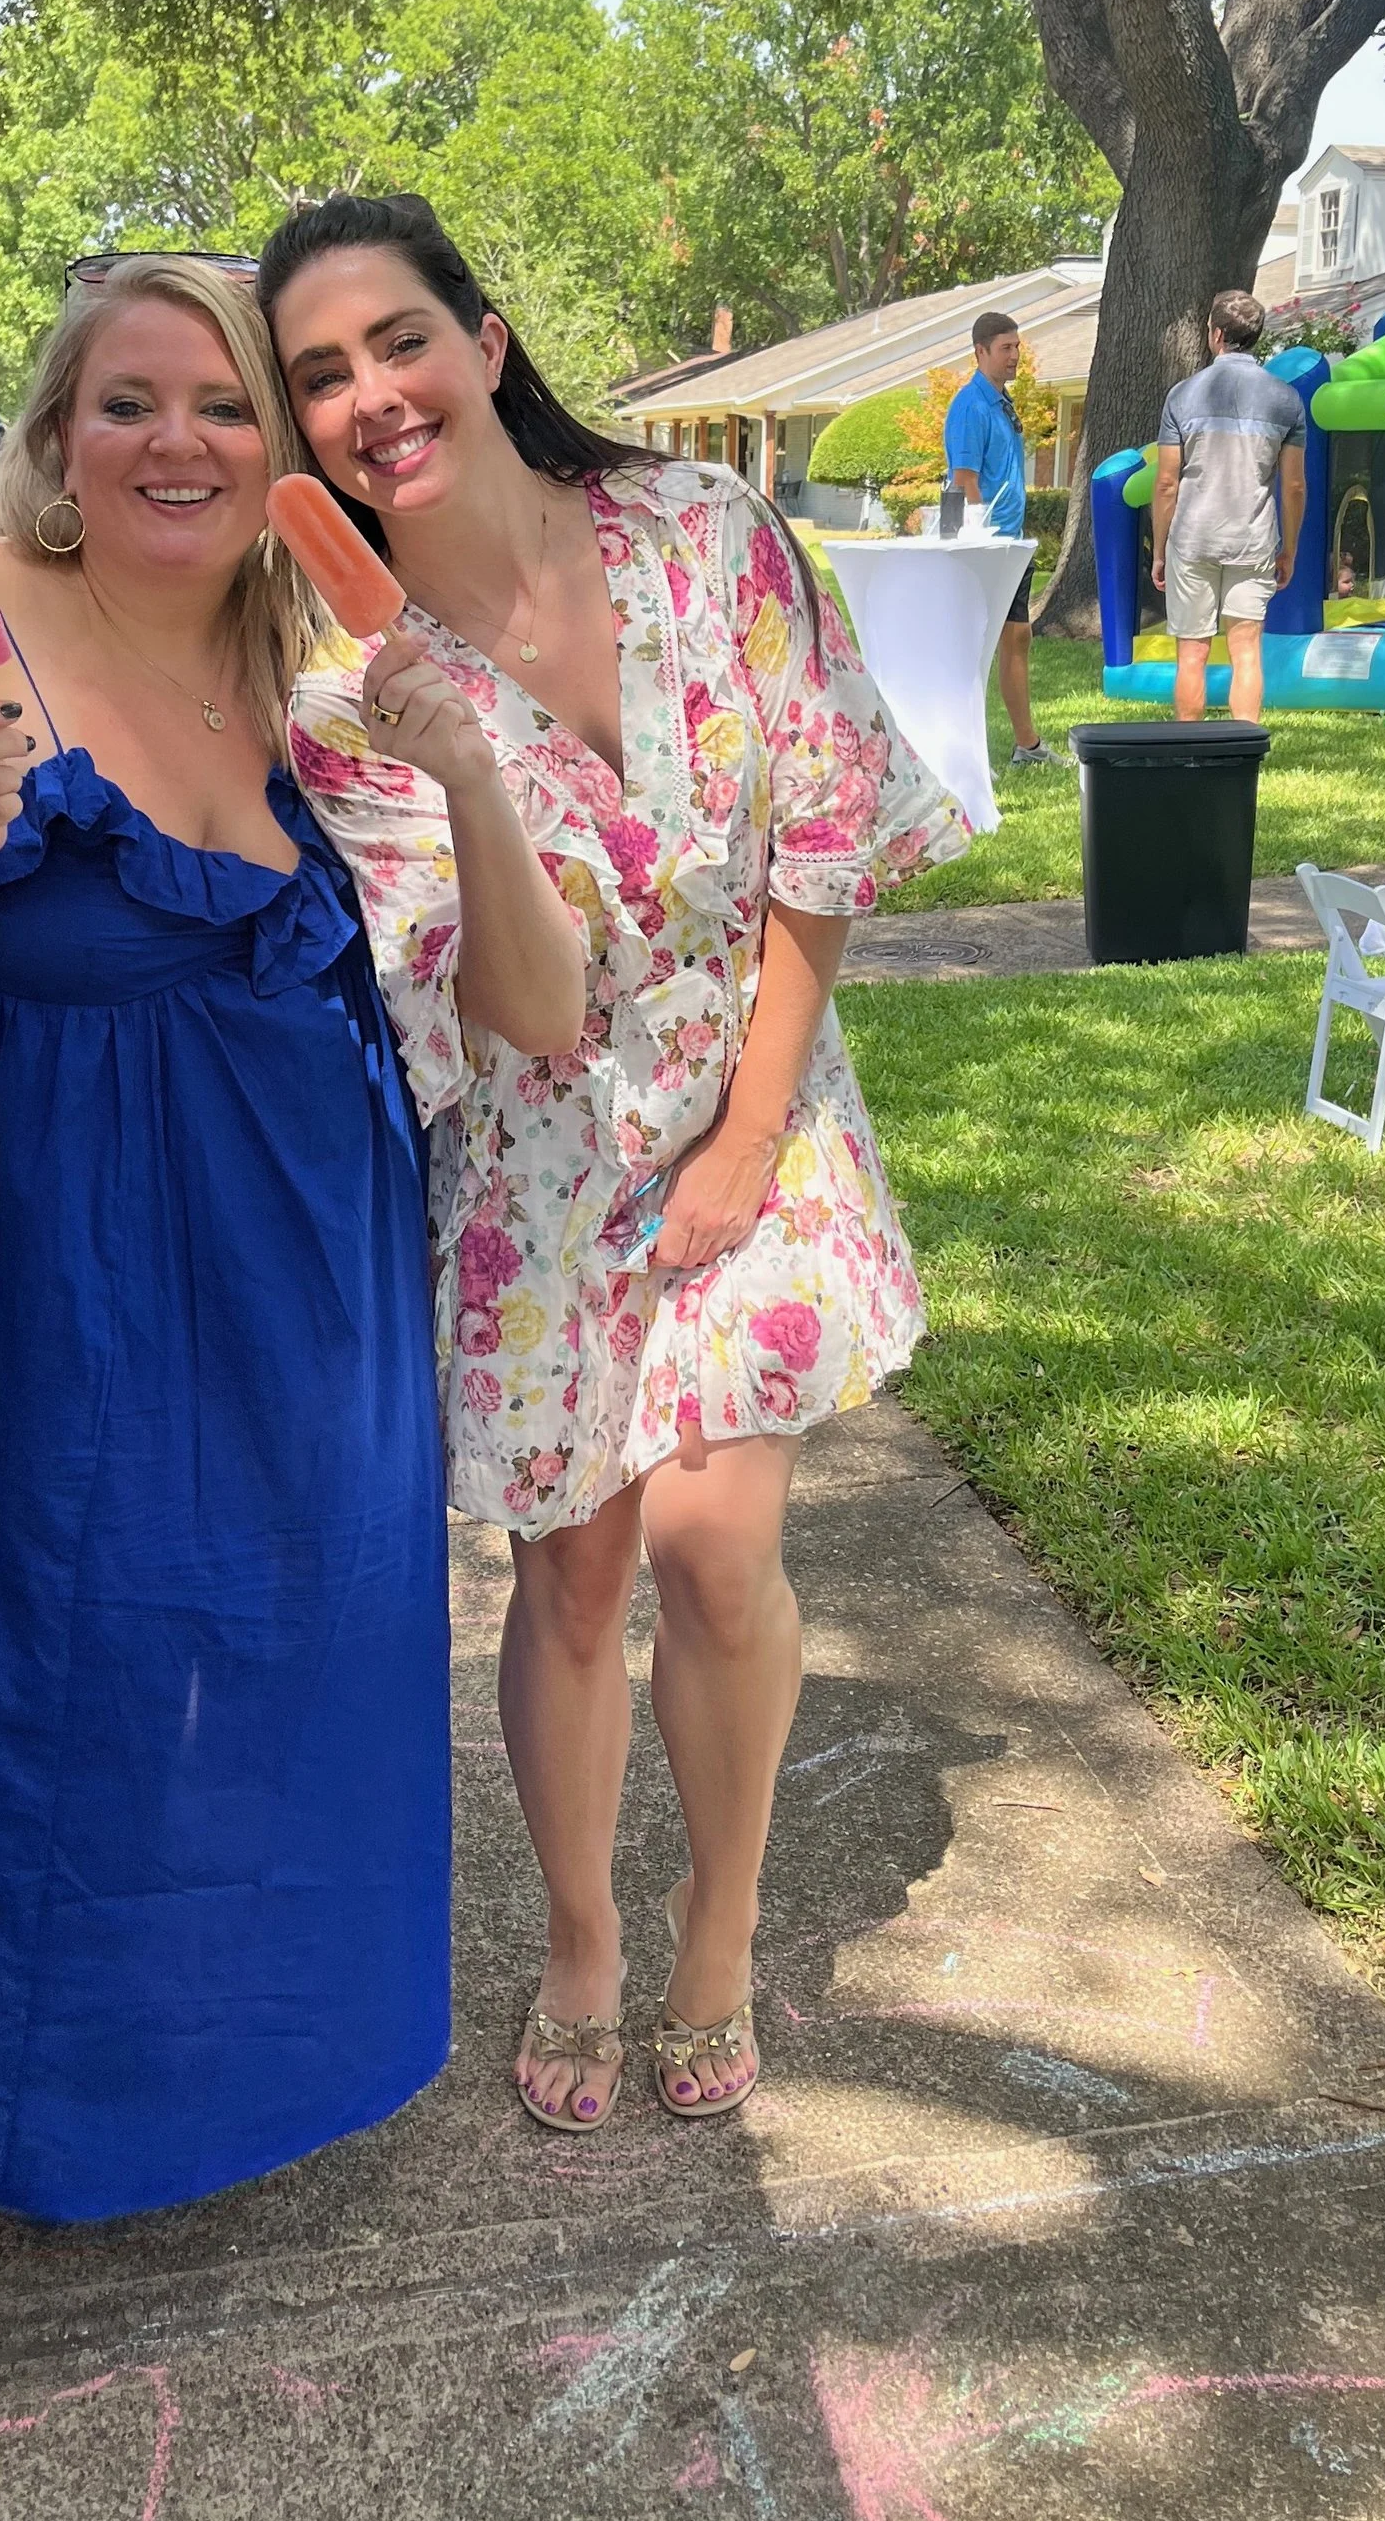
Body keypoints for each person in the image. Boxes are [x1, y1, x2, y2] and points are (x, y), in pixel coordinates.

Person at [0, 254, 578, 2226]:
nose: (175, 439)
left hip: (289, 1288)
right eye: (126, 402)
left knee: (252, 1677)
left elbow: (528, 998)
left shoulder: (316, 674)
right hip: (1, 1283)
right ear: (55, 440)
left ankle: (209, 2072)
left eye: (223, 406)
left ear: (283, 460)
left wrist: (466, 765)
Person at [262, 193, 967, 2134]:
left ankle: (714, 1920)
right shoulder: (345, 701)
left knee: (716, 1544)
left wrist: (749, 1136)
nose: (367, 394)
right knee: (570, 1577)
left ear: (483, 344)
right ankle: (577, 1936)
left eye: (393, 339)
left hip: (757, 1089)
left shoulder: (706, 536)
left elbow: (826, 833)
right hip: (540, 1156)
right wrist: (469, 774)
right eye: (316, 374)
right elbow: (517, 1016)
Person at [1150, 291, 1306, 724]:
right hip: (1253, 538)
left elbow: (1166, 483)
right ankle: (1242, 757)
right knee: (1246, 651)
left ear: (1217, 334)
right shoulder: (1287, 400)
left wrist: (1160, 551)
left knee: (1193, 653)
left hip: (1193, 538)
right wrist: (1288, 548)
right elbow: (1293, 485)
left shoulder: (1181, 396)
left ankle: (1188, 755)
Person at [943, 309, 1046, 767]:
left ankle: (1028, 747)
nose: (1014, 356)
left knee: (1017, 638)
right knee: (973, 650)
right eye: (1005, 348)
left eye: (1017, 347)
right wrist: (982, 539)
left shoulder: (1003, 404)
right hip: (986, 547)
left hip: (1012, 544)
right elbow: (964, 480)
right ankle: (962, 752)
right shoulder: (970, 406)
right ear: (979, 351)